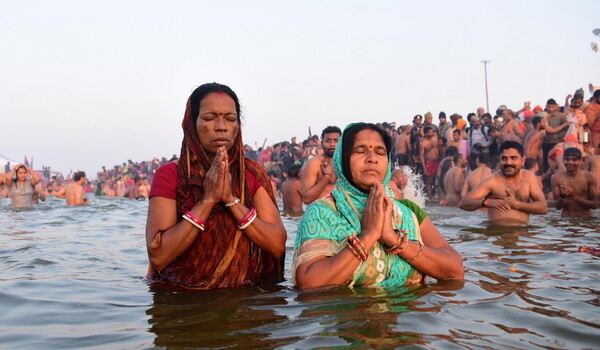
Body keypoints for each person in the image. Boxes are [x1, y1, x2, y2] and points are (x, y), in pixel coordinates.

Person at [145, 83, 286, 289]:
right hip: (180, 298)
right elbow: (158, 256)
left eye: (230, 119)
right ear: (191, 124)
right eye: (209, 118)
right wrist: (208, 200)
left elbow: (277, 246)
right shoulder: (170, 175)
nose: (222, 126)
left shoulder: (252, 174)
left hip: (243, 299)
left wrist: (230, 200)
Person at [292, 123, 463, 289]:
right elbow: (309, 284)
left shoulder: (408, 211)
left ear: (388, 162)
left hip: (409, 316)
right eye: (360, 151)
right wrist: (368, 236)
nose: (372, 159)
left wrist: (393, 239)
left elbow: (455, 270)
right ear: (343, 160)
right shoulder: (323, 211)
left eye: (380, 152)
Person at [459, 141, 548, 226]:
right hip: (499, 235)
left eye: (513, 158)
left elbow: (543, 207)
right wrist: (486, 202)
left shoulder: (529, 177)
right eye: (504, 158)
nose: (508, 163)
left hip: (523, 237)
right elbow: (463, 203)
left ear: (523, 160)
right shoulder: (492, 181)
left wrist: (517, 205)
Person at [551, 148, 598, 218]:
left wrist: (573, 196)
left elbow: (595, 205)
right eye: (567, 159)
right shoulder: (556, 178)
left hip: (586, 219)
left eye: (574, 160)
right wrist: (563, 196)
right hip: (566, 220)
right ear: (563, 160)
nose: (570, 162)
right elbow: (558, 207)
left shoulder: (589, 177)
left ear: (581, 161)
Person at [301, 126, 341, 204]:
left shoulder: (347, 162)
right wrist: (326, 177)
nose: (332, 144)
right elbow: (306, 199)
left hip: (344, 212)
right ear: (322, 143)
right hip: (321, 212)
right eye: (328, 141)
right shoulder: (314, 163)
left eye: (336, 141)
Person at [419, 126, 440, 198]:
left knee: (437, 179)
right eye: (429, 132)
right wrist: (424, 167)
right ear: (425, 133)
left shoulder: (436, 138)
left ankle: (436, 196)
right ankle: (430, 197)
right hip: (429, 163)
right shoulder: (423, 143)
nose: (431, 133)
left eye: (432, 132)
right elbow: (421, 156)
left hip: (437, 161)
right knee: (430, 181)